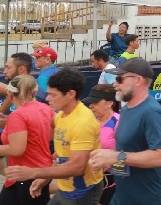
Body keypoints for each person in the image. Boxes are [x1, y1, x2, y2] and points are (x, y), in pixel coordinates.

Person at [5, 68, 104, 204]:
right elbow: (60, 153)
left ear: (70, 94)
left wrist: (33, 173)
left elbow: (77, 167)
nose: (47, 98)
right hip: (66, 188)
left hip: (82, 190)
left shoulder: (82, 122)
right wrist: (45, 177)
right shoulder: (61, 116)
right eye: (48, 94)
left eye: (53, 95)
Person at [89, 58, 161, 205]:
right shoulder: (126, 109)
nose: (115, 84)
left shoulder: (151, 112)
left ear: (138, 80)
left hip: (149, 198)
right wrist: (105, 159)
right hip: (124, 196)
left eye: (120, 79)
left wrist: (116, 156)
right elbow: (128, 149)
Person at [0, 75, 54, 205]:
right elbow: (51, 134)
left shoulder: (18, 115)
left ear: (10, 93)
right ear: (34, 92)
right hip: (34, 172)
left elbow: (17, 149)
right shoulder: (45, 108)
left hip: (28, 174)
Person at [82, 84, 120, 205]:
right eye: (90, 102)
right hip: (89, 179)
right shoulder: (89, 121)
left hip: (113, 181)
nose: (91, 106)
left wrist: (108, 161)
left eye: (95, 102)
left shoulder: (119, 122)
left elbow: (128, 154)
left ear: (110, 103)